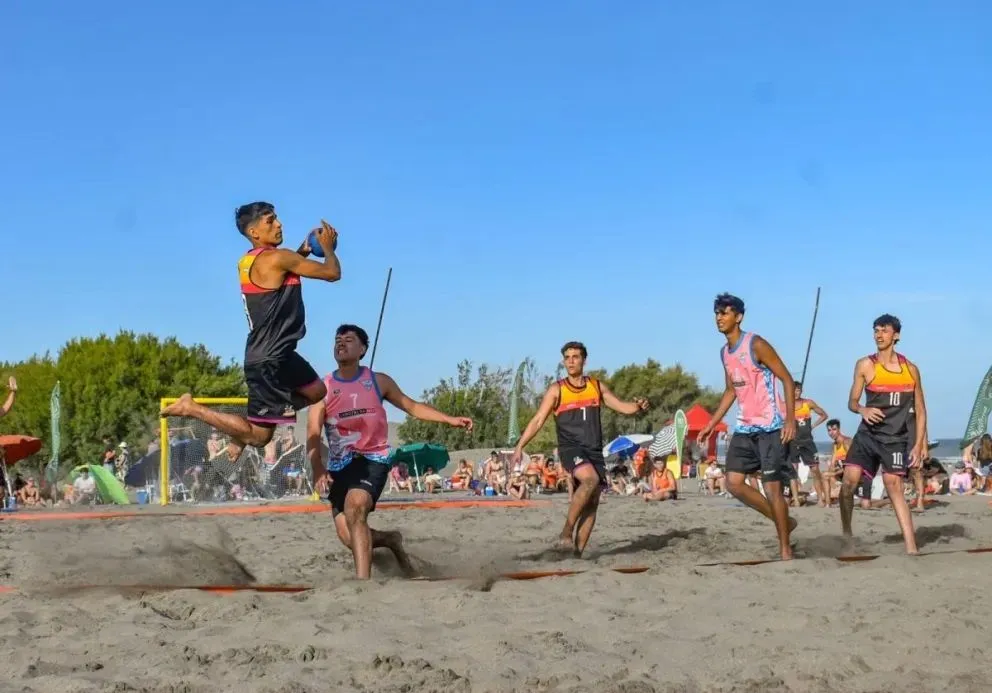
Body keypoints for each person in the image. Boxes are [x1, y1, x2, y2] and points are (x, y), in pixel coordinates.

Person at [162, 203, 341, 460]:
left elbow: (285, 267)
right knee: (260, 437)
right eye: (270, 221)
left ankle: (248, 425)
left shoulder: (250, 260)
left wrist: (303, 250)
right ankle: (193, 409)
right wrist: (327, 248)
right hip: (268, 358)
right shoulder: (279, 258)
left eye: (277, 218)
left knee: (316, 392)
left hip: (280, 352)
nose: (278, 224)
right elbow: (333, 273)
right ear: (255, 232)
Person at [307, 324, 473, 579]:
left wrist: (449, 419)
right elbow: (313, 433)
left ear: (362, 349)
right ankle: (391, 540)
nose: (341, 343)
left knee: (356, 506)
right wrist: (318, 467)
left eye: (349, 339)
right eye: (337, 340)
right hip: (339, 466)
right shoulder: (322, 388)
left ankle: (363, 584)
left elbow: (413, 407)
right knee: (349, 537)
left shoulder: (378, 381)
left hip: (372, 459)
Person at [513, 341, 649, 556]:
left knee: (593, 501)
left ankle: (576, 555)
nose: (571, 361)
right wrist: (520, 445)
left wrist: (638, 407)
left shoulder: (596, 386)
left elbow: (622, 406)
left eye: (575, 357)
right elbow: (538, 419)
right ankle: (566, 532)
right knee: (590, 480)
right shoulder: (557, 389)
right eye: (567, 358)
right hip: (571, 447)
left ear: (584, 360)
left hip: (593, 448)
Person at [697, 294, 797, 561]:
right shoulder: (724, 353)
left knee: (772, 488)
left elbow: (787, 379)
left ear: (738, 317)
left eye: (725, 313)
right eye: (717, 313)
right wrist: (711, 423)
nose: (719, 318)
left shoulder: (757, 344)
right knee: (734, 483)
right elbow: (731, 391)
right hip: (745, 428)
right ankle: (784, 521)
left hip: (770, 427)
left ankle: (785, 548)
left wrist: (790, 420)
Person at [839, 314, 926, 555]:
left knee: (893, 484)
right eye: (876, 330)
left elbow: (920, 409)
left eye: (884, 330)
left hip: (895, 438)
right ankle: (847, 534)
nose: (879, 335)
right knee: (848, 482)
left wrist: (919, 444)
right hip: (867, 435)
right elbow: (852, 401)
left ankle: (911, 548)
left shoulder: (911, 370)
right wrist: (862, 409)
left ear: (896, 335)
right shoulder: (865, 365)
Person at [788, 381, 828, 507]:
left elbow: (823, 415)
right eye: (793, 390)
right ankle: (795, 499)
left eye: (798, 390)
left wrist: (813, 426)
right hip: (792, 442)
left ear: (801, 391)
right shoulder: (786, 405)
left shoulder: (808, 403)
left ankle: (820, 499)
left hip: (808, 442)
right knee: (793, 471)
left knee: (815, 470)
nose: (795, 393)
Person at [824, 419, 854, 507]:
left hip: (851, 474)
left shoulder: (846, 441)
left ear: (839, 429)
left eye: (834, 429)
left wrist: (835, 473)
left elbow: (852, 464)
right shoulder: (835, 445)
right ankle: (828, 503)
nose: (831, 432)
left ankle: (832, 497)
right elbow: (832, 465)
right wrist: (832, 475)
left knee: (828, 476)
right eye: (829, 430)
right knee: (825, 475)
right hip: (842, 474)